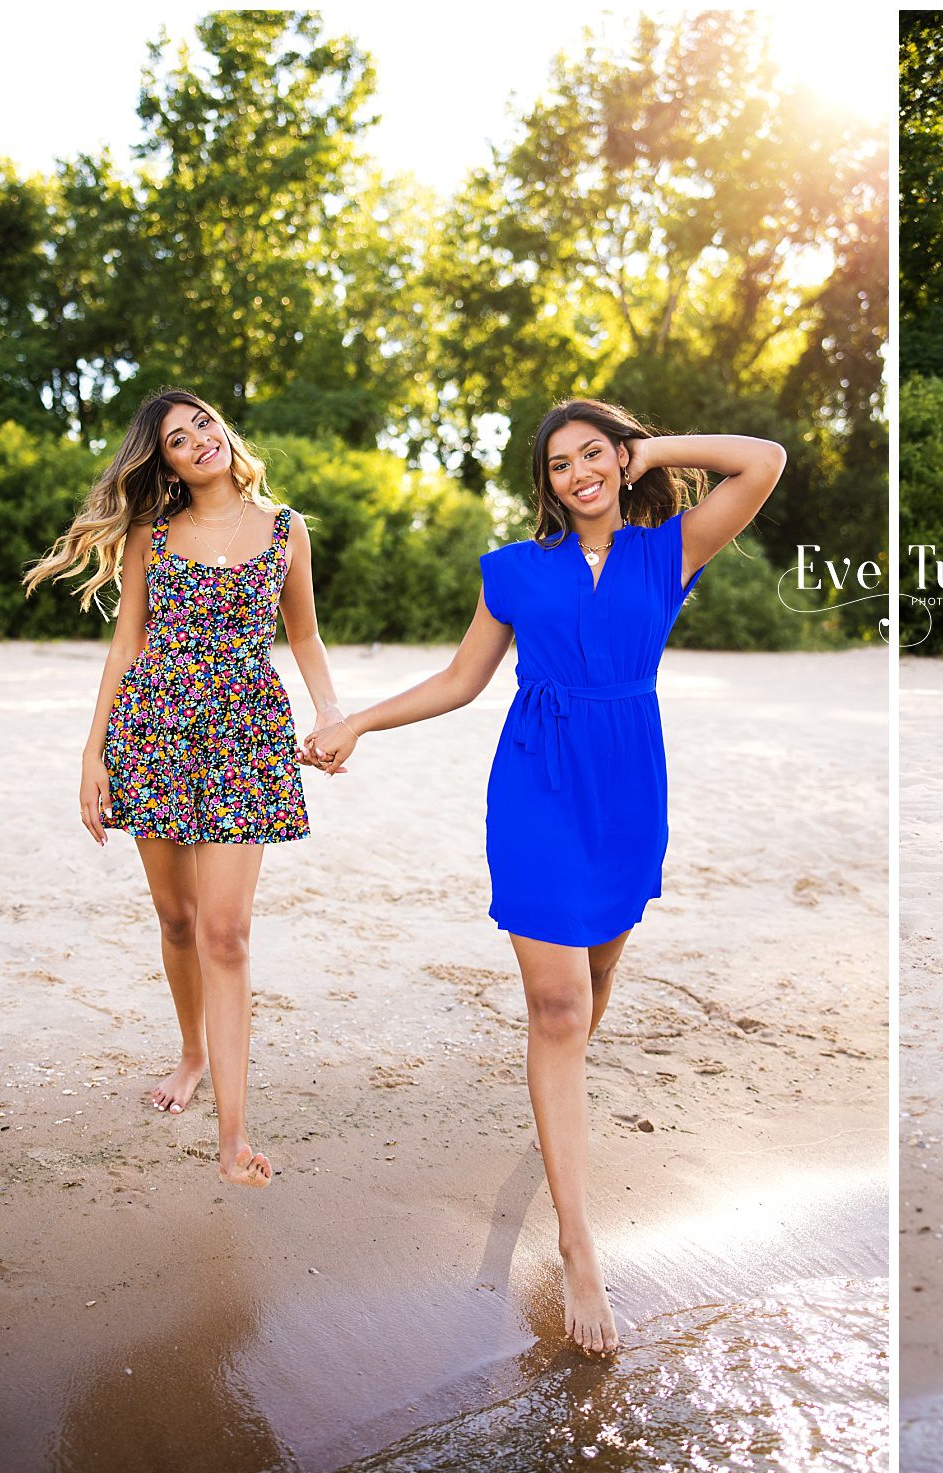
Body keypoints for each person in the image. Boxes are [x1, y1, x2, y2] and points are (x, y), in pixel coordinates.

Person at [302, 399, 785, 1354]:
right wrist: (358, 721)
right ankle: (576, 1241)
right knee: (559, 1007)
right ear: (546, 486)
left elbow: (762, 460)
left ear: (620, 460)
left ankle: (553, 1102)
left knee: (597, 977)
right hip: (537, 784)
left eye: (593, 455)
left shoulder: (668, 550)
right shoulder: (516, 570)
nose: (578, 474)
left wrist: (651, 451)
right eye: (560, 464)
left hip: (627, 787)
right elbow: (458, 681)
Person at [25, 387, 346, 1186]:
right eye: (177, 437)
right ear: (163, 461)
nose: (199, 438)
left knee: (226, 932)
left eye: (203, 421)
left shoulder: (285, 527)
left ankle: (233, 1136)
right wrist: (93, 756)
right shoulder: (150, 534)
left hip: (245, 733)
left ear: (223, 428)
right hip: (155, 730)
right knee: (177, 919)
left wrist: (333, 711)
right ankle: (192, 1051)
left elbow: (301, 632)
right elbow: (126, 644)